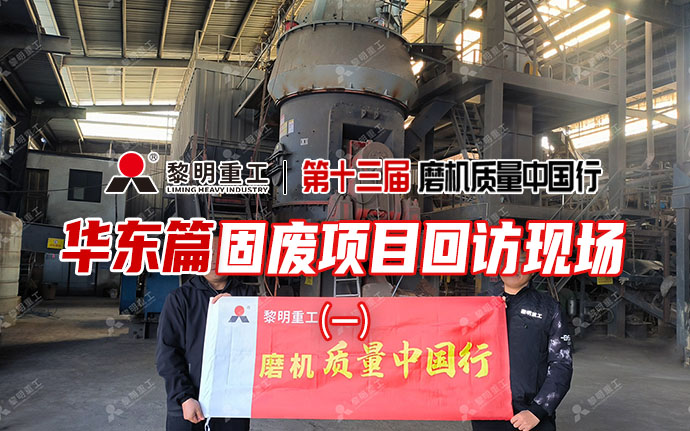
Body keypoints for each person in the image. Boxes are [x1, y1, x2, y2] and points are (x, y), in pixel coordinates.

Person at [156, 232, 256, 431]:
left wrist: (239, 308)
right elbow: (167, 354)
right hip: (190, 404)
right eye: (207, 253)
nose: (213, 259)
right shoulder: (180, 299)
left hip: (233, 403)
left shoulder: (248, 296)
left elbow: (260, 344)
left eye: (220, 253)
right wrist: (184, 397)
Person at [472, 255, 573, 431]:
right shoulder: (477, 306)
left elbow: (561, 363)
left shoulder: (549, 308)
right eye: (507, 262)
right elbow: (456, 349)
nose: (513, 268)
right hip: (486, 409)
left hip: (530, 414)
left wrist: (538, 410)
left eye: (521, 262)